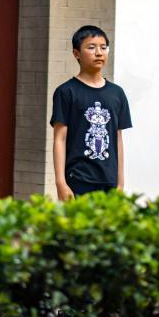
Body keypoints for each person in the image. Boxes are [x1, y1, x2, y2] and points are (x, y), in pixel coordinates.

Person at [51, 25, 133, 200]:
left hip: (109, 180)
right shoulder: (66, 92)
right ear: (76, 53)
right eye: (91, 47)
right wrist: (60, 183)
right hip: (78, 178)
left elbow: (118, 138)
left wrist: (120, 183)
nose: (99, 53)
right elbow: (60, 138)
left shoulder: (117, 93)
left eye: (103, 47)